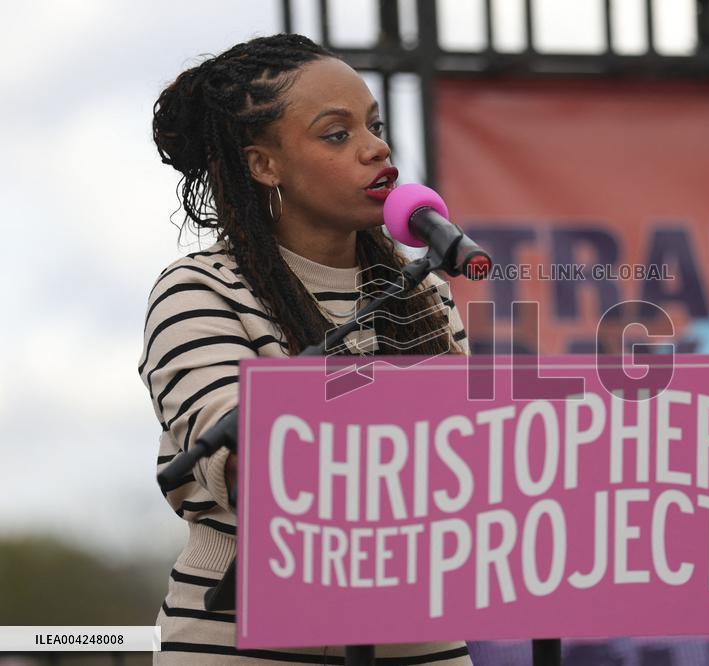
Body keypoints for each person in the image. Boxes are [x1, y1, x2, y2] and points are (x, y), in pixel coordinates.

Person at [141, 33, 471, 664]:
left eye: (374, 125)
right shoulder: (198, 290)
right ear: (264, 165)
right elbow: (242, 455)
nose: (378, 148)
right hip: (242, 633)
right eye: (336, 134)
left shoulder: (421, 287)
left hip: (417, 630)